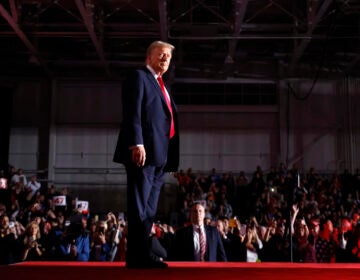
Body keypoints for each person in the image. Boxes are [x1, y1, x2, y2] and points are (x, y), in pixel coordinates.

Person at [113, 40, 179, 268]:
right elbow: (132, 111)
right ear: (148, 57)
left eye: (168, 57)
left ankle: (140, 255)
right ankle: (137, 256)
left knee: (149, 209)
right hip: (143, 152)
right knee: (139, 205)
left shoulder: (162, 85)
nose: (165, 59)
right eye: (161, 55)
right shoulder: (139, 77)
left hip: (161, 156)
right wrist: (136, 143)